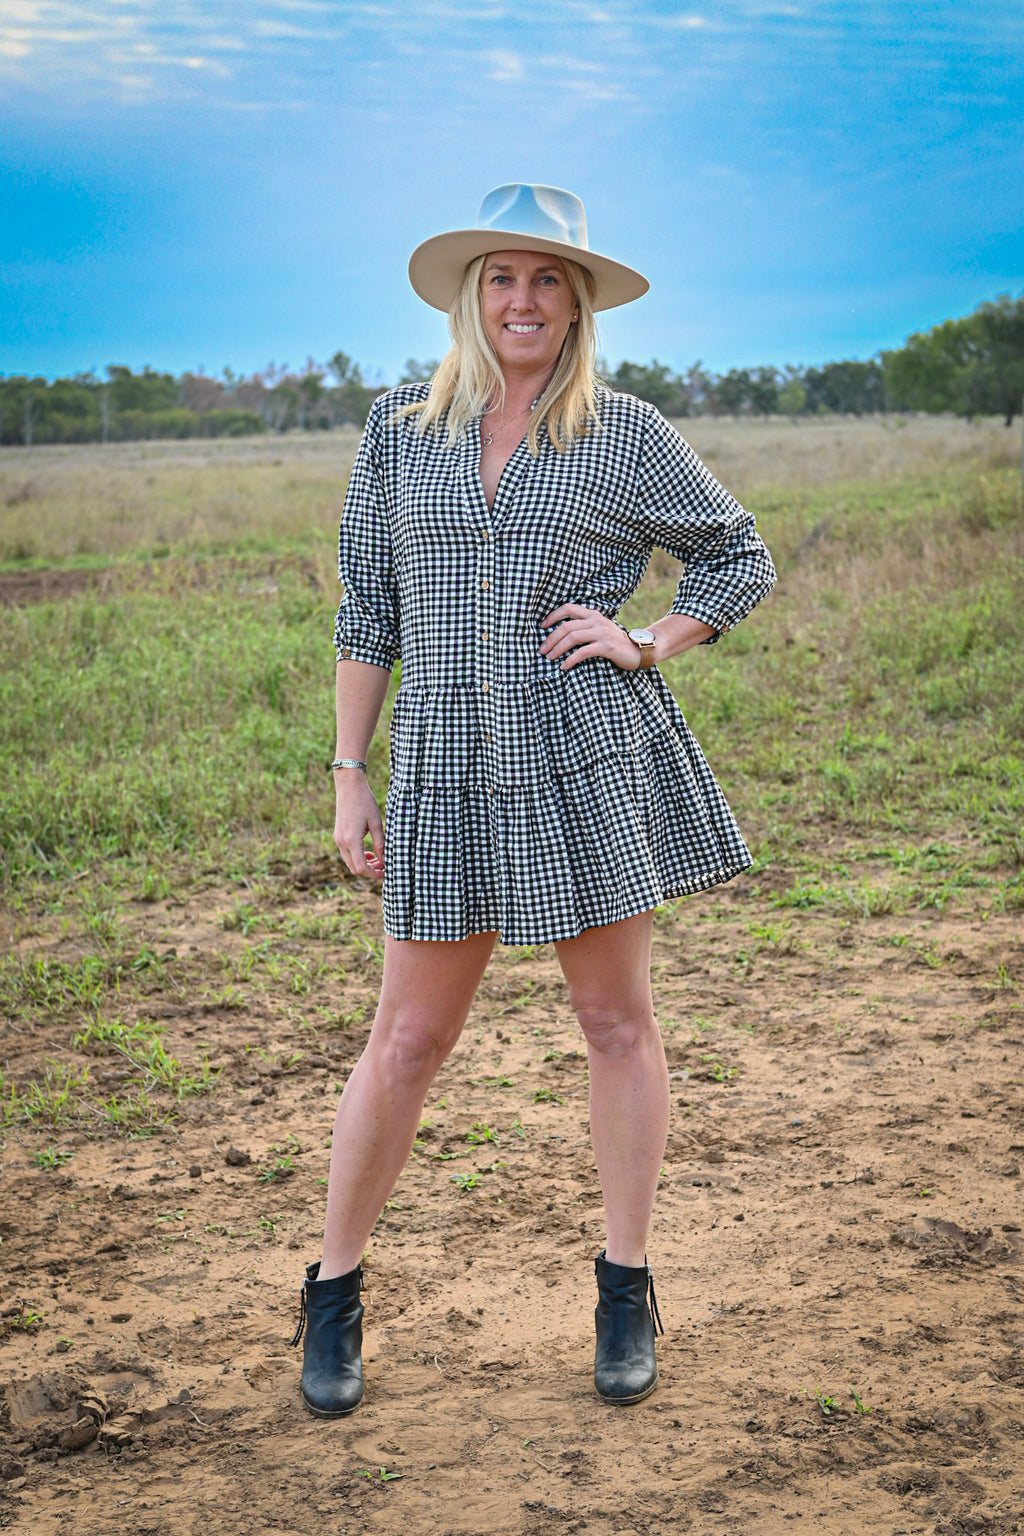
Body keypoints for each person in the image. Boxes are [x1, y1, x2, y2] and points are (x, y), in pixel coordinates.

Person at [290, 183, 776, 1417]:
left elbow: (738, 551)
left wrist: (648, 640)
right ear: (470, 295)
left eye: (547, 281)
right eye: (502, 278)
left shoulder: (625, 432)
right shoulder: (399, 432)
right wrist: (351, 776)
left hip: (581, 759)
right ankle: (334, 1291)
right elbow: (367, 611)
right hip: (445, 768)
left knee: (616, 1025)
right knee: (406, 1040)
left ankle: (625, 1287)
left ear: (578, 304)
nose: (523, 301)